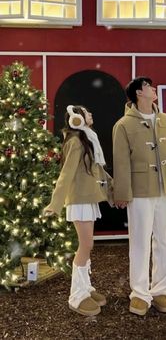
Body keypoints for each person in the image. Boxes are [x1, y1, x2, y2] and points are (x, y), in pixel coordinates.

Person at [112, 77, 166, 316]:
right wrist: (122, 192)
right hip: (140, 191)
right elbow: (120, 163)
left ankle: (162, 289)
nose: (154, 90)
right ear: (139, 93)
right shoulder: (123, 125)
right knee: (140, 242)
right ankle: (140, 293)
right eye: (149, 87)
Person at [43, 105, 112, 316]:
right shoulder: (75, 142)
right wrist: (55, 204)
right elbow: (66, 174)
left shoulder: (89, 140)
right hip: (79, 200)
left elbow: (99, 172)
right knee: (86, 245)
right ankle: (77, 295)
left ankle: (86, 287)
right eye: (85, 112)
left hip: (88, 199)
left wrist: (114, 192)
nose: (90, 114)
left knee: (87, 246)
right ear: (76, 120)